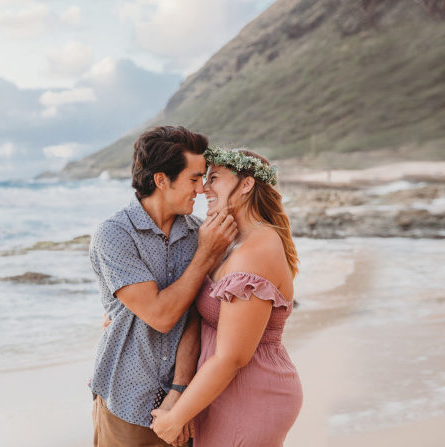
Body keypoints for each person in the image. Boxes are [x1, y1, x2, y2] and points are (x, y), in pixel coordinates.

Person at [89, 126, 238, 446]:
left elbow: (196, 318)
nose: (200, 189)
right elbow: (161, 315)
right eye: (194, 178)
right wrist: (204, 257)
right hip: (124, 401)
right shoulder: (115, 235)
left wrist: (180, 393)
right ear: (161, 180)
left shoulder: (201, 234)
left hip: (187, 404)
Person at [150, 147, 302, 447]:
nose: (204, 187)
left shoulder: (255, 253)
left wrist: (176, 416)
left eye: (215, 178)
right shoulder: (234, 243)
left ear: (246, 185)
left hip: (251, 395)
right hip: (224, 392)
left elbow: (232, 357)